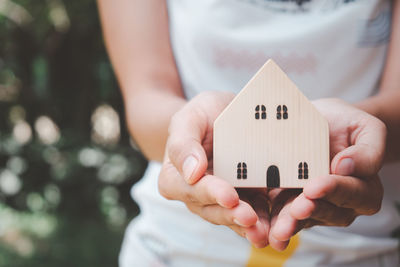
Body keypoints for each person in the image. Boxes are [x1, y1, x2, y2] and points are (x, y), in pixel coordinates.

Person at [97, 0, 400, 266]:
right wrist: (191, 135)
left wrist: (352, 137)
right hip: (173, 248)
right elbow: (145, 97)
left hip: (357, 251)